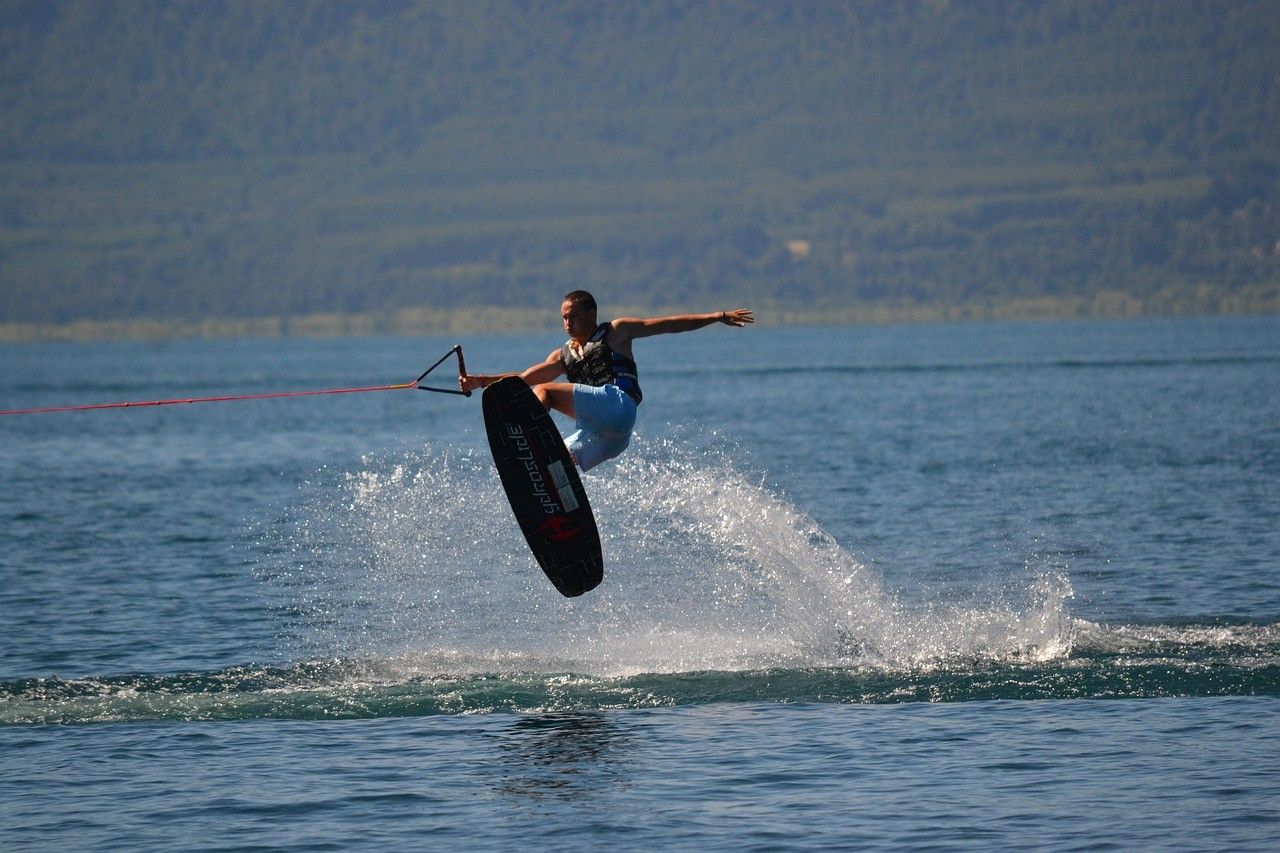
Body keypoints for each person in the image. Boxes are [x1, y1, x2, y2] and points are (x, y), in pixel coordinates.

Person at [460, 291, 754, 471]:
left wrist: (718, 315)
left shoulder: (617, 331)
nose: (567, 324)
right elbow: (523, 379)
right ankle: (555, 496)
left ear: (591, 313)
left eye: (572, 316)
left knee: (544, 393)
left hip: (618, 405)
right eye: (563, 318)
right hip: (611, 437)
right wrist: (481, 381)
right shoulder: (563, 354)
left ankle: (526, 443)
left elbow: (669, 325)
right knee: (557, 459)